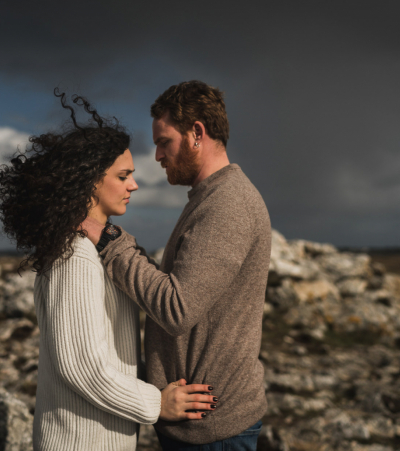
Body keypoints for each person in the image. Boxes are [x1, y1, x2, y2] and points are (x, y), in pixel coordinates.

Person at [0, 90, 217, 451]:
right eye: (123, 175)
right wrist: (157, 404)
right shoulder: (76, 256)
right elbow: (82, 366)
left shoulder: (91, 248)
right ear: (91, 181)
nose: (134, 184)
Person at [83, 80, 271, 450]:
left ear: (196, 134)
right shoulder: (211, 197)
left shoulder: (227, 205)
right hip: (200, 428)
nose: (156, 155)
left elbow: (176, 308)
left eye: (163, 141)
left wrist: (108, 241)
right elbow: (183, 285)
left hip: (212, 431)